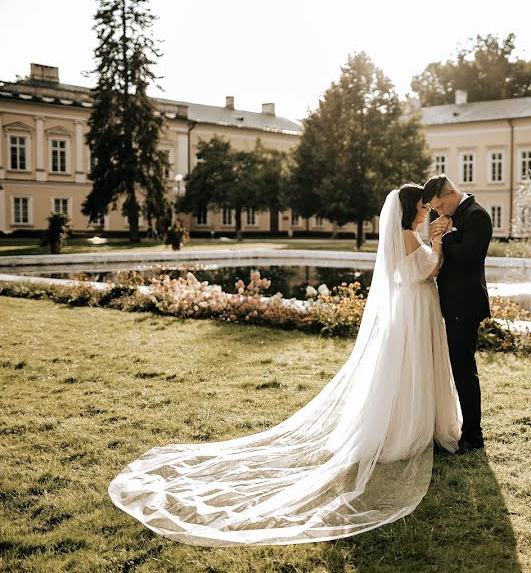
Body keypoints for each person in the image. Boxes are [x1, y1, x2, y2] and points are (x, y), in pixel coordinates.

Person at [108, 184, 462, 546]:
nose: (424, 213)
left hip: (412, 310)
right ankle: (405, 427)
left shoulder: (406, 235)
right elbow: (426, 271)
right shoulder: (406, 236)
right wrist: (438, 243)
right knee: (408, 369)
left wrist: (432, 239)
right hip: (413, 311)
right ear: (407, 211)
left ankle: (410, 420)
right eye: (421, 207)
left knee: (406, 370)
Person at [422, 174, 493, 453]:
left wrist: (445, 236)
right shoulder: (444, 217)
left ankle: (473, 437)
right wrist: (437, 235)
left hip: (465, 304)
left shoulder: (478, 216)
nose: (439, 212)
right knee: (455, 367)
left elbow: (468, 258)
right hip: (449, 303)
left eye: (440, 206)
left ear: (451, 192)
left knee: (464, 370)